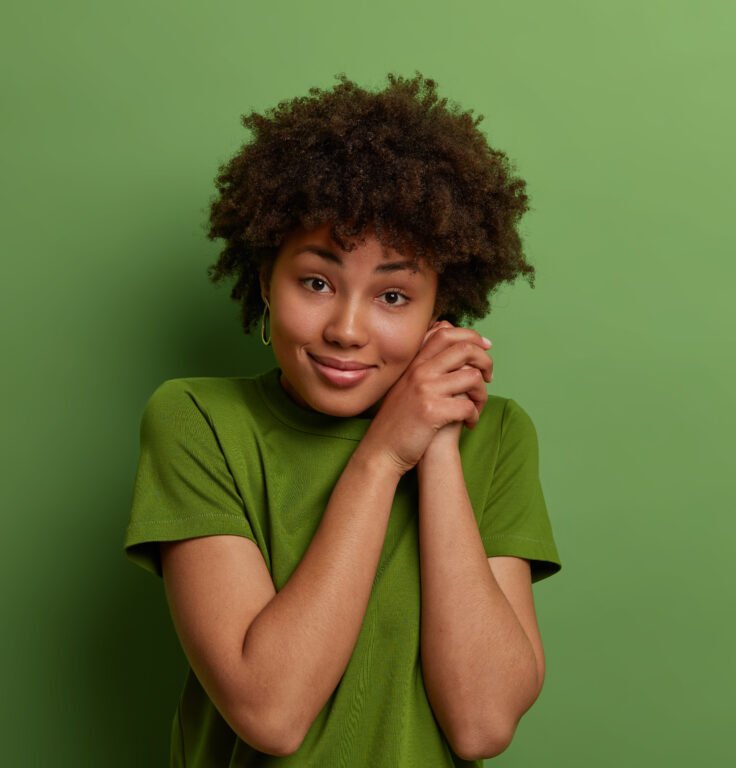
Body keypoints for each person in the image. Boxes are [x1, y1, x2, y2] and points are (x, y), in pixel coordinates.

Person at [124, 73, 562, 767]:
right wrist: (383, 457)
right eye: (317, 282)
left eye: (393, 294)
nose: (348, 329)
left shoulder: (499, 435)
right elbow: (271, 712)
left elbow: (482, 725)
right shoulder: (197, 420)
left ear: (439, 307)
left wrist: (438, 442)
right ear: (266, 276)